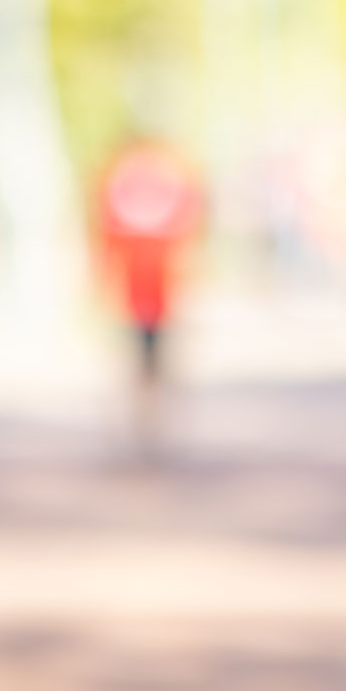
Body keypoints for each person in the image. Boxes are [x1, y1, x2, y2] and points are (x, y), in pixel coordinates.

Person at [92, 137, 203, 455]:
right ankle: (145, 419)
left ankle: (150, 419)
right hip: (136, 297)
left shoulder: (145, 190)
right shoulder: (127, 191)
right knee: (144, 365)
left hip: (157, 296)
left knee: (152, 365)